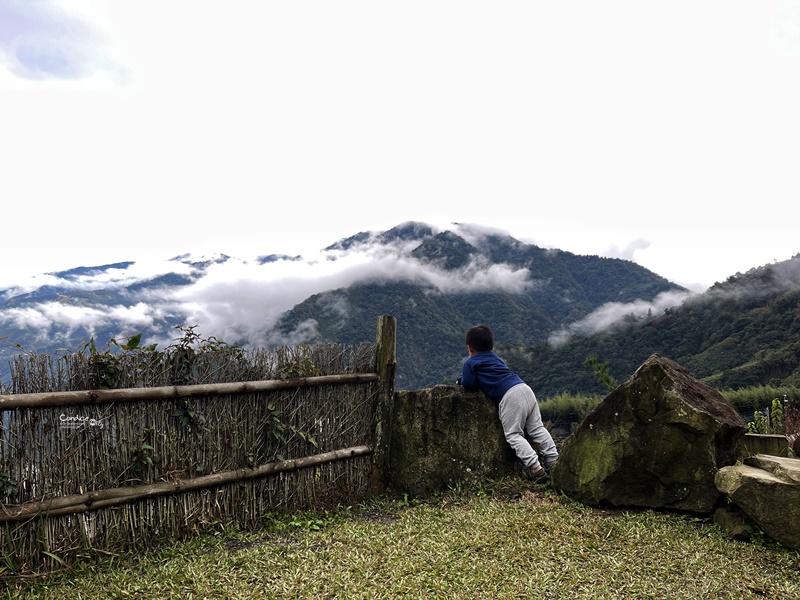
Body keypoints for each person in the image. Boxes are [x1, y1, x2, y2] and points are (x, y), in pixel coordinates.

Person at [456, 324, 558, 482]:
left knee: (513, 434)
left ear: (469, 348)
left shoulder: (470, 363)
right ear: (492, 345)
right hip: (524, 388)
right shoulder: (496, 357)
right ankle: (553, 460)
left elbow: (469, 384)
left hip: (509, 396)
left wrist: (460, 380)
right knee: (537, 428)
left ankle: (535, 468)